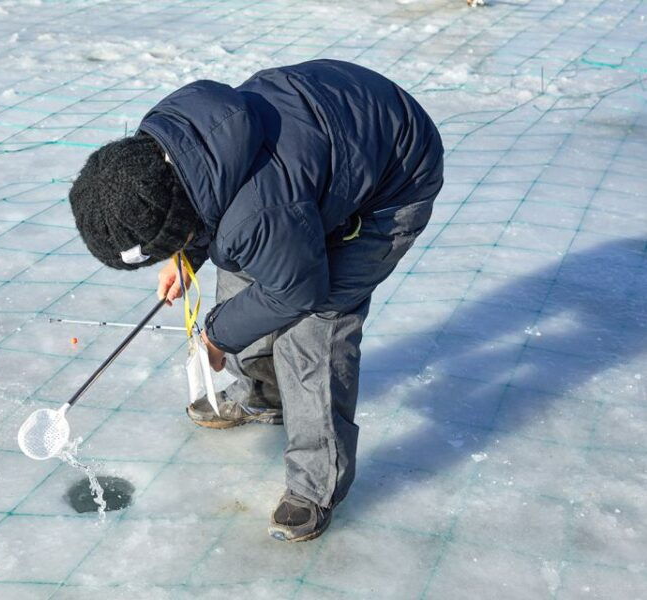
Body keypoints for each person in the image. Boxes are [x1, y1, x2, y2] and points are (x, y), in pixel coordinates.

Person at [68, 59, 444, 542]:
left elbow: (297, 289)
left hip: (393, 175)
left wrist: (217, 336)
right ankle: (264, 393)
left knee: (316, 325)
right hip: (317, 152)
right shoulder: (166, 145)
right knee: (241, 268)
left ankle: (315, 485)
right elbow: (207, 201)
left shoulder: (259, 215)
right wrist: (186, 256)